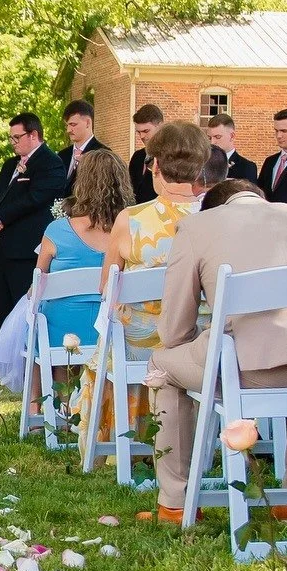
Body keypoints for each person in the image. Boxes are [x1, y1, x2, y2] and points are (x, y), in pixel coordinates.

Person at [141, 182, 287, 525]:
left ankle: (176, 502)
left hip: (244, 368)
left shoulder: (198, 227)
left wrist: (203, 336)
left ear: (214, 207)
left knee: (161, 365)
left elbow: (173, 332)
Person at [76, 122, 212, 458]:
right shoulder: (214, 217)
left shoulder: (131, 219)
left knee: (107, 349)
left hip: (139, 346)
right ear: (200, 168)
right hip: (200, 344)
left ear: (155, 166)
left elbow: (107, 288)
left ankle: (117, 441)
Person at [38, 150, 134, 347]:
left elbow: (38, 286)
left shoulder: (57, 231)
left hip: (62, 332)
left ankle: (46, 376)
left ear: (83, 184)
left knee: (32, 321)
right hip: (114, 329)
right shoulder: (135, 229)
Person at [0, 112, 67, 333]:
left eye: (17, 137)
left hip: (25, 250)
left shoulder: (51, 163)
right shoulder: (10, 164)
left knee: (23, 310)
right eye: (11, 138)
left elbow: (34, 199)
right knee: (3, 310)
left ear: (33, 135)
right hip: (2, 247)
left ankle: (27, 362)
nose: (13, 143)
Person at [257, 108, 287, 205]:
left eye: (284, 131)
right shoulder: (270, 161)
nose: (278, 136)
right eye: (276, 131)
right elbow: (260, 192)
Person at [57, 101, 107, 186]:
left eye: (73, 124)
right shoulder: (62, 155)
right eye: (67, 125)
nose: (68, 130)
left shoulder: (103, 154)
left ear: (88, 123)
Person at [128, 104, 164, 205]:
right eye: (138, 132)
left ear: (160, 126)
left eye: (146, 131)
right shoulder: (138, 157)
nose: (142, 136)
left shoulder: (173, 155)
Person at [206, 114, 258, 183]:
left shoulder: (247, 167)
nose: (212, 142)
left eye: (217, 137)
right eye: (209, 138)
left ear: (232, 136)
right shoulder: (203, 164)